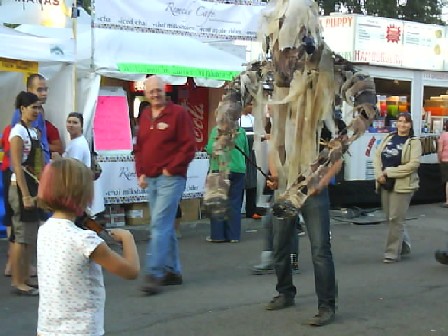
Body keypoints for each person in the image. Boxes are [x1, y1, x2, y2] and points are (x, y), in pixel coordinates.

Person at [36, 158, 140, 335]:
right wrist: (128, 238)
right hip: (81, 329)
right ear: (83, 194)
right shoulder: (84, 240)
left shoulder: (45, 230)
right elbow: (131, 271)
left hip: (47, 328)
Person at [134, 75, 196, 295]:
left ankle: (154, 272)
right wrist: (140, 172)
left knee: (159, 223)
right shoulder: (144, 115)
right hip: (150, 178)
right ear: (145, 93)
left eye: (158, 90)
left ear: (165, 90)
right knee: (165, 225)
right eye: (151, 91)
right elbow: (139, 147)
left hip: (171, 178)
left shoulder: (178, 114)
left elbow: (189, 146)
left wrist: (172, 167)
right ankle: (172, 270)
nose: (155, 94)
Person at [9, 91, 45, 296]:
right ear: (22, 109)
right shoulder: (18, 133)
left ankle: (25, 278)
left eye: (38, 108)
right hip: (21, 188)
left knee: (30, 236)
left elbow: (38, 164)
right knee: (20, 237)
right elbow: (16, 165)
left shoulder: (34, 132)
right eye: (33, 107)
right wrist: (25, 195)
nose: (36, 111)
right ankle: (17, 281)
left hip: (34, 187)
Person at [374, 112, 422, 263]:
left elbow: (413, 164)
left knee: (396, 219)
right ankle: (404, 243)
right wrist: (379, 174)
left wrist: (390, 172)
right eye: (400, 121)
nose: (402, 124)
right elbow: (377, 155)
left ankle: (392, 253)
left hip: (403, 185)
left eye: (406, 122)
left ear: (410, 125)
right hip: (384, 183)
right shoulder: (389, 137)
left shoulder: (414, 142)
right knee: (391, 218)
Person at [205, 125, 249, 243]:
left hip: (220, 168)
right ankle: (234, 235)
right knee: (234, 203)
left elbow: (210, 150)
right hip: (238, 169)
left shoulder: (216, 130)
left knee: (218, 201)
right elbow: (246, 151)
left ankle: (218, 235)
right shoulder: (242, 131)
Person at [11, 74, 50, 163]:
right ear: (29, 90)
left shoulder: (39, 111)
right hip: (30, 169)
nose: (44, 93)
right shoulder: (22, 114)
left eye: (45, 89)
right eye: (39, 90)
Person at [1, 124, 13, 277]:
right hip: (13, 174)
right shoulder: (14, 130)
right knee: (15, 221)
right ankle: (12, 264)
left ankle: (14, 264)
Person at [437, 120, 448, 207]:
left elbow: (440, 150)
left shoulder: (443, 136)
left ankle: (447, 201)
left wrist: (439, 159)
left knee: (447, 181)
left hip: (445, 160)